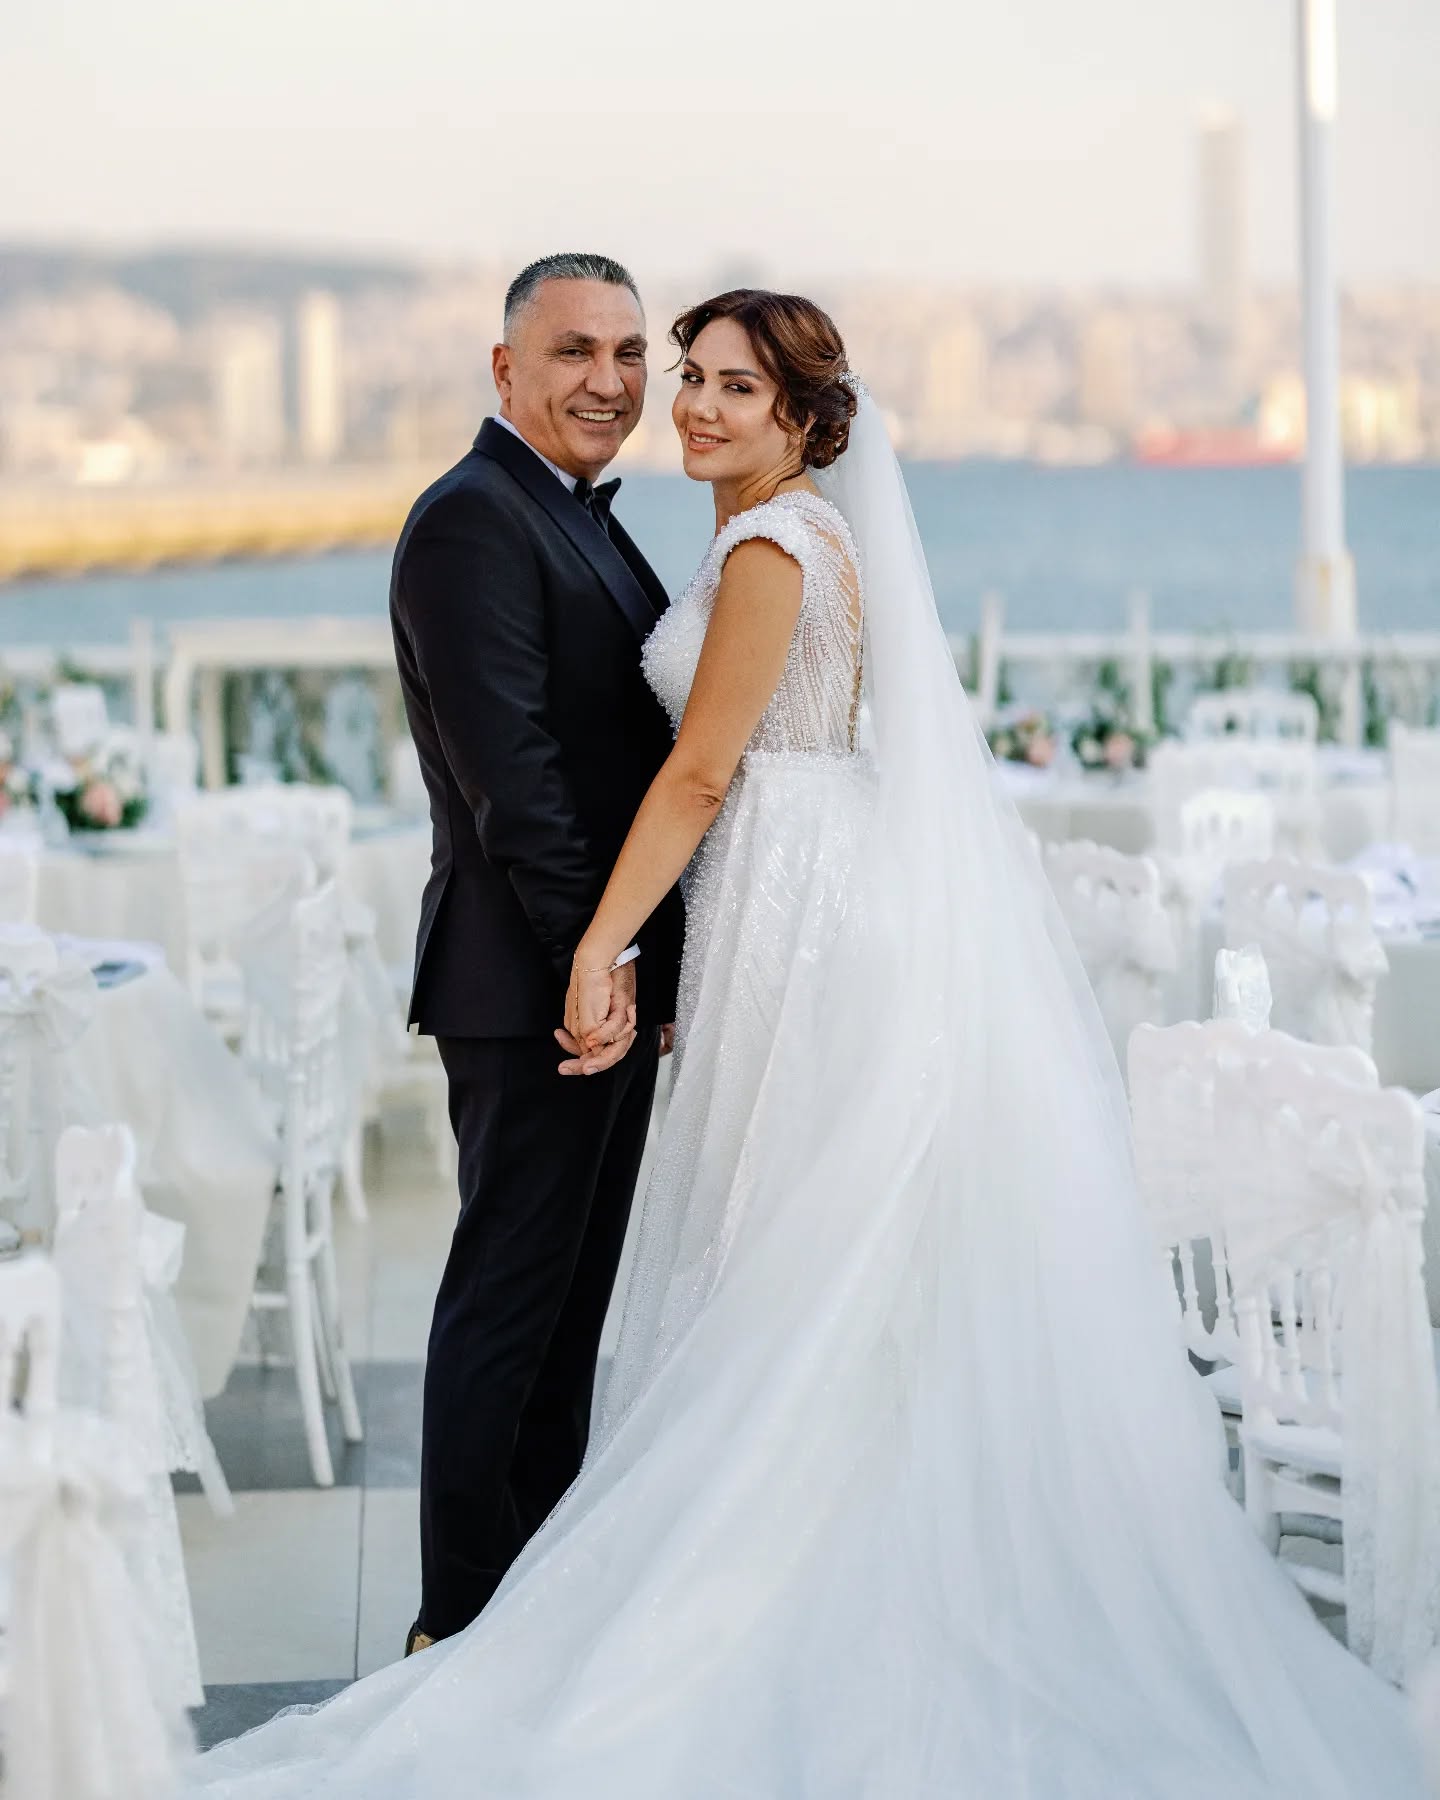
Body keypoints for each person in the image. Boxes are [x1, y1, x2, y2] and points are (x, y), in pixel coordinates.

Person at [193, 290, 1426, 1796]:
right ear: (508, 366)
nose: (688, 404)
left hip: (791, 908)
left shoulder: (773, 547)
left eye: (723, 385)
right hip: (767, 909)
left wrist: (603, 943)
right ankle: (487, 1613)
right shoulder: (707, 535)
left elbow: (703, 769)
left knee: (776, 1263)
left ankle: (724, 1592)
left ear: (804, 419)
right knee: (708, 1269)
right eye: (686, 377)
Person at [386, 252, 683, 1650]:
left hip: (590, 981)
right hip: (535, 987)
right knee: (508, 1304)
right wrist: (601, 963)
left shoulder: (574, 518)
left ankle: (529, 1617)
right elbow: (519, 779)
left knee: (568, 1312)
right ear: (504, 370)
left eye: (629, 352)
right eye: (574, 351)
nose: (608, 381)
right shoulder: (471, 522)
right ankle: (456, 1629)